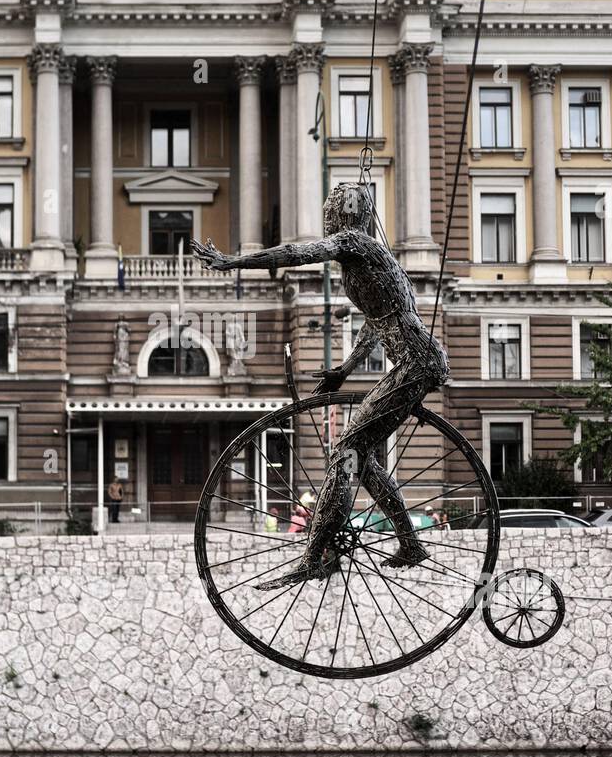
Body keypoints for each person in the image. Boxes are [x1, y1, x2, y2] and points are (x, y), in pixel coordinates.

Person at [191, 180, 449, 586]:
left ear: (346, 213)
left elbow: (298, 253)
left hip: (416, 363)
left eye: (331, 208)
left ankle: (315, 556)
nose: (326, 216)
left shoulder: (355, 242)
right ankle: (410, 543)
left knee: (347, 450)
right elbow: (378, 324)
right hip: (417, 361)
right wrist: (344, 371)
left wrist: (234, 262)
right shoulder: (370, 260)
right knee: (358, 456)